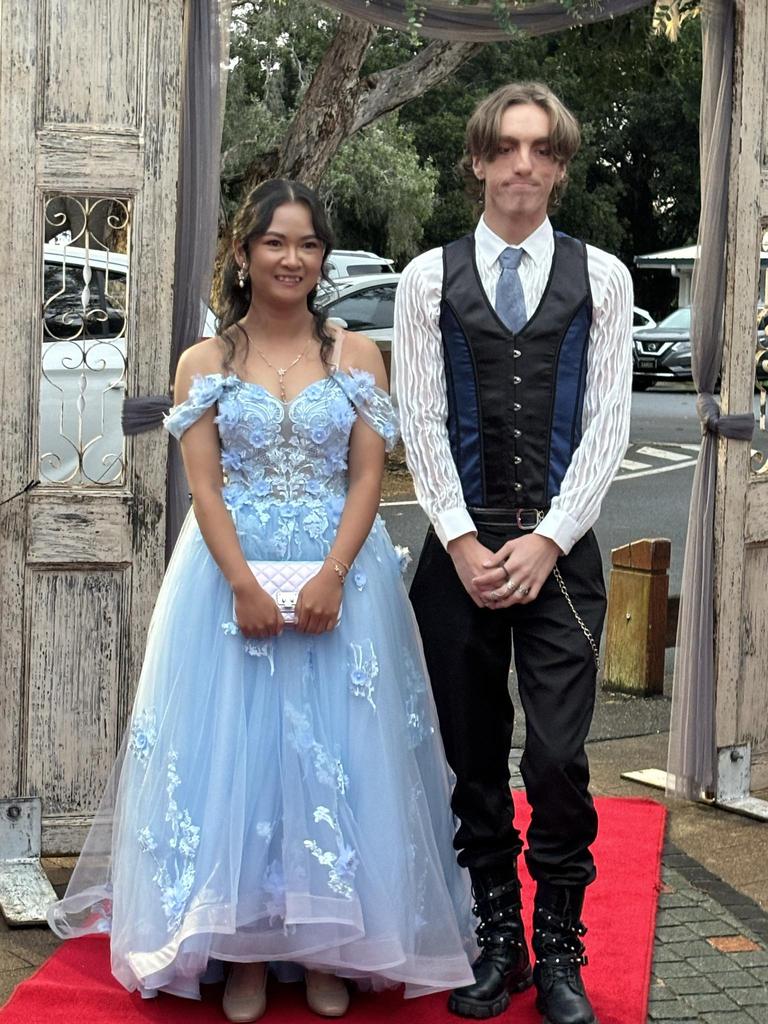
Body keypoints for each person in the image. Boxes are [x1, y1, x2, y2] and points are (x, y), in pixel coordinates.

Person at [48, 178, 476, 1021]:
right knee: (237, 759)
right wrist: (242, 581)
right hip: (226, 577)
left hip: (339, 576)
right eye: (274, 243)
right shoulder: (205, 364)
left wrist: (333, 573)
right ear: (243, 255)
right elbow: (203, 487)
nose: (292, 259)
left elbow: (366, 476)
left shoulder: (355, 355)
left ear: (324, 258)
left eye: (308, 244)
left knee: (337, 753)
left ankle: (329, 947)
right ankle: (243, 948)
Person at [393, 82, 633, 1024]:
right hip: (458, 552)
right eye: (508, 147)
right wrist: (458, 539)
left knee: (563, 759)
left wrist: (546, 539)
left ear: (560, 166)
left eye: (542, 149)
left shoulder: (604, 278)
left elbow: (608, 429)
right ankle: (502, 940)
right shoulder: (425, 279)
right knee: (473, 756)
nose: (524, 165)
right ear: (481, 160)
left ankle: (563, 947)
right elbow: (419, 416)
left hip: (560, 554)